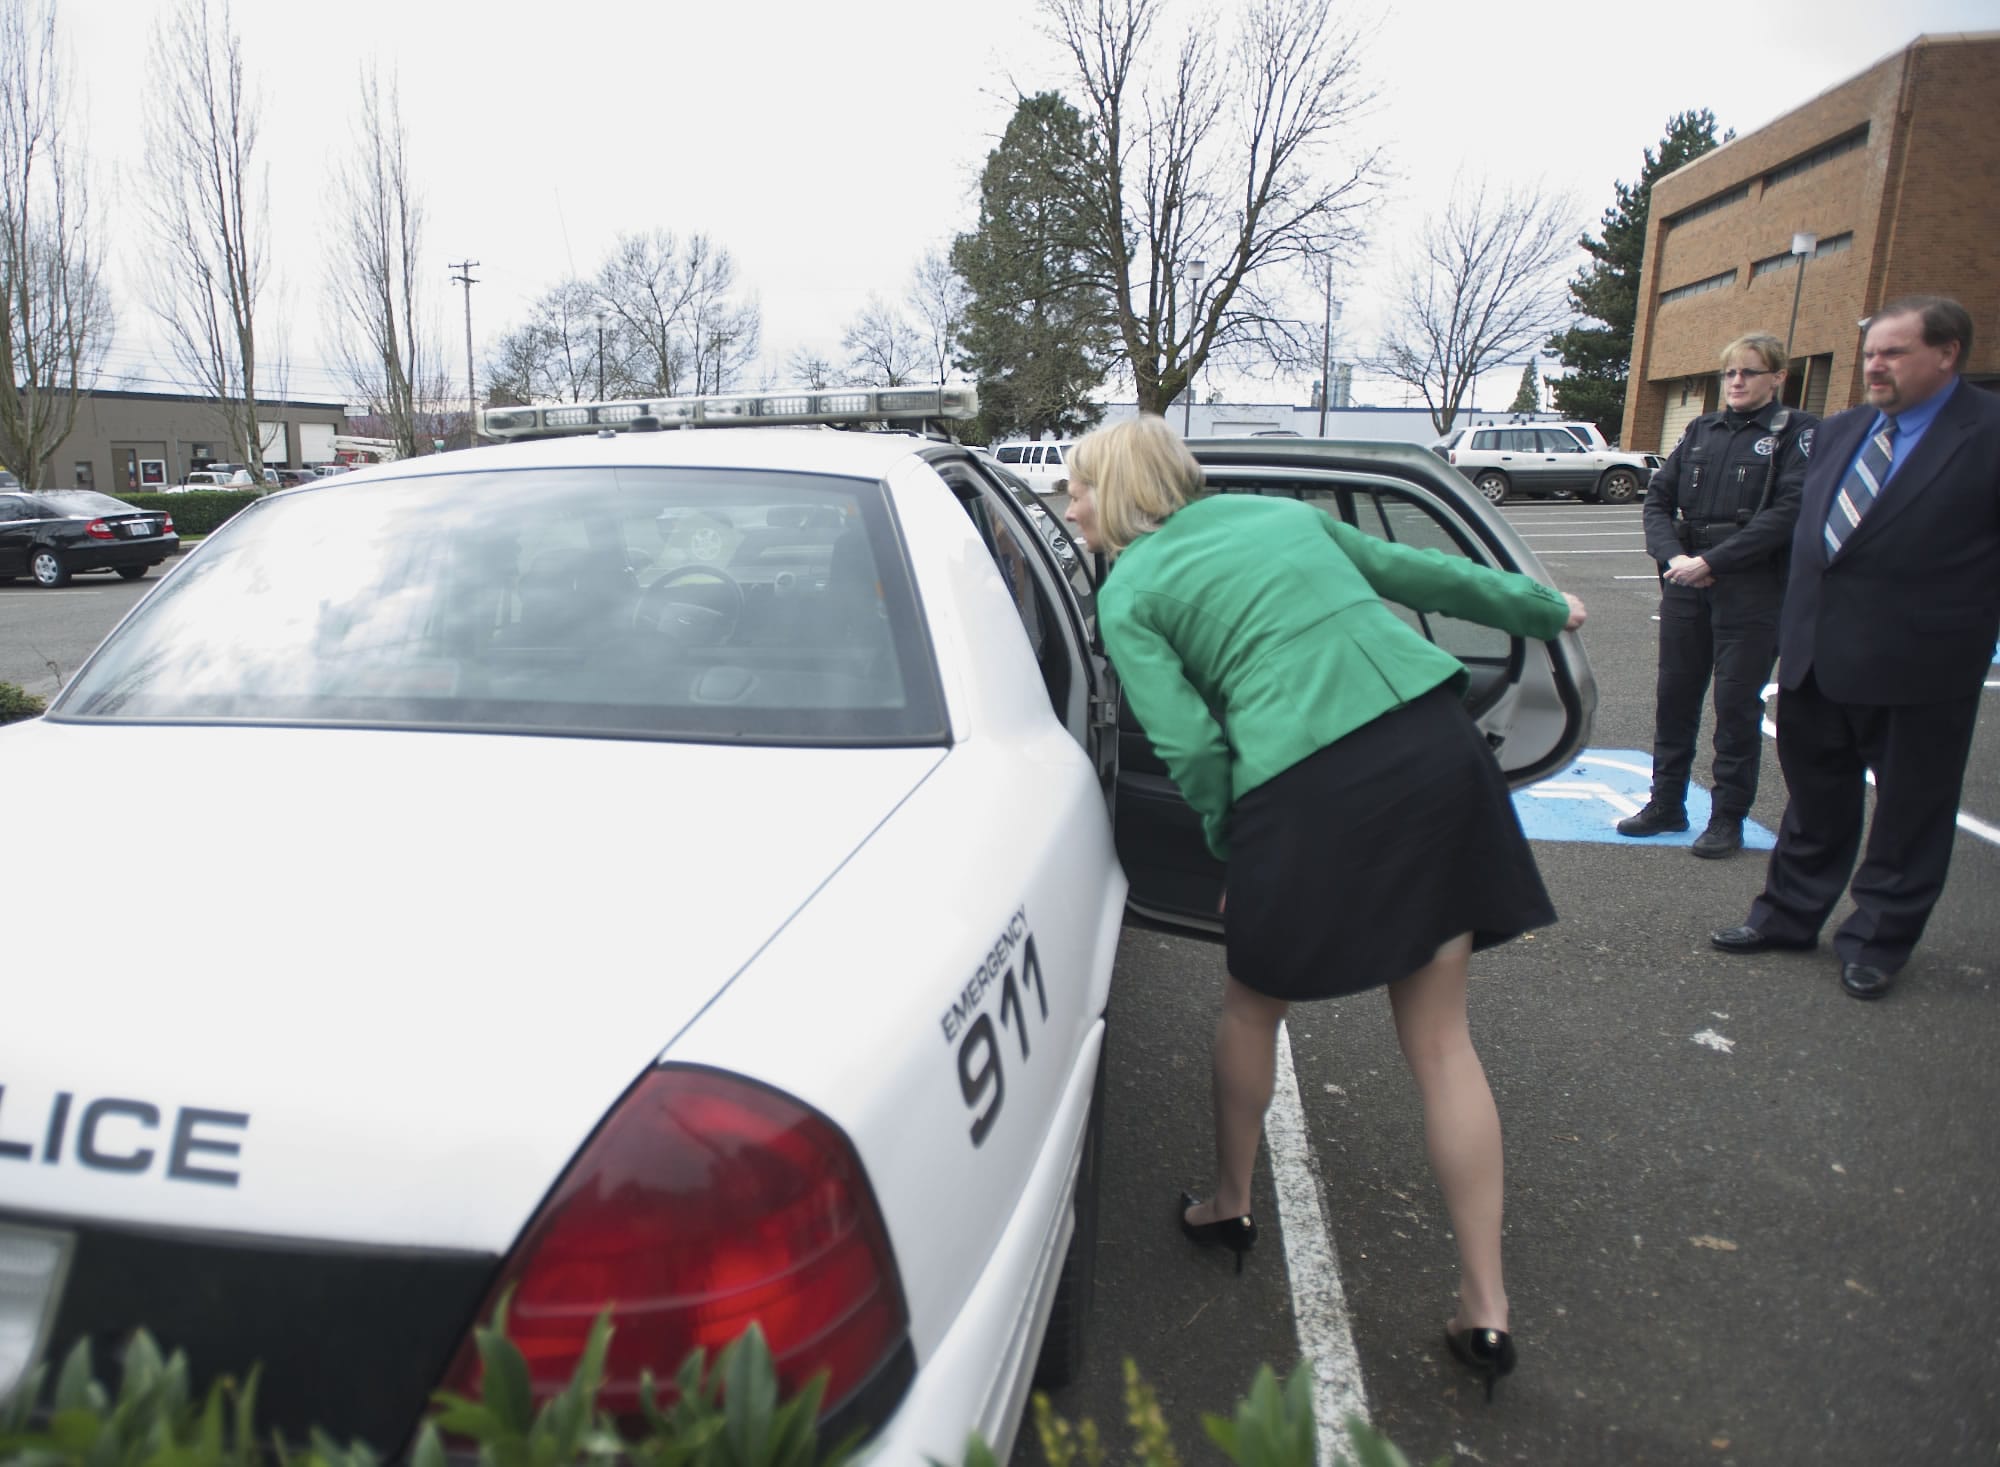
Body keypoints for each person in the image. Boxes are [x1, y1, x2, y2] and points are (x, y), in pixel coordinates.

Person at [1064, 415, 1585, 1400]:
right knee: (1440, 1044)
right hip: (1435, 753)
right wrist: (1539, 608)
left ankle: (1227, 1201)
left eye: (1081, 489)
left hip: (1303, 789)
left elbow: (1186, 746)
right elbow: (1420, 576)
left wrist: (1231, 845)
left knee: (1251, 1006)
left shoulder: (1127, 587)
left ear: (1124, 489)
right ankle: (1484, 1307)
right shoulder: (1277, 514)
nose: (1071, 507)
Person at [1711, 296, 2000, 1000]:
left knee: (1909, 811)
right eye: (1871, 350)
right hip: (1815, 654)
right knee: (1815, 799)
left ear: (1948, 353)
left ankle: (1877, 937)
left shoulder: (1987, 433)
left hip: (1921, 664)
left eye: (1893, 352)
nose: (1874, 363)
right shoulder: (1843, 431)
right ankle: (1786, 915)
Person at [1619, 333, 1816, 857]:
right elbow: (1658, 501)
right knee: (1675, 699)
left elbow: (1789, 512)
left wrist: (1715, 561)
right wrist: (1674, 559)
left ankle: (1728, 817)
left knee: (1734, 707)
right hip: (1687, 582)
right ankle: (1666, 803)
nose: (1736, 382)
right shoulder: (1700, 431)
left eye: (1749, 373)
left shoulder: (1795, 434)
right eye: (1729, 373)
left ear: (1777, 378)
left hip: (1751, 589)